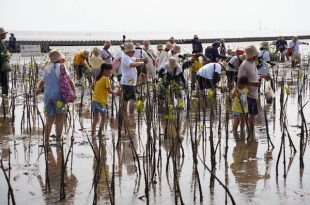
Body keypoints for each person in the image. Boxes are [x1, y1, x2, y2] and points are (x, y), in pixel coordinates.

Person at [35, 49, 76, 143]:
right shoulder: (62, 67)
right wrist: (74, 91)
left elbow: (42, 82)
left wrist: (38, 90)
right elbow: (69, 81)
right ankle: (58, 139)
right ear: (60, 58)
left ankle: (46, 140)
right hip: (59, 97)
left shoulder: (46, 68)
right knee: (60, 118)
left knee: (49, 120)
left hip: (47, 97)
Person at [238, 45, 261, 138]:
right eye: (256, 55)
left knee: (252, 115)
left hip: (253, 94)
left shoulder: (252, 63)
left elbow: (253, 76)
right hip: (247, 95)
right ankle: (246, 134)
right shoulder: (244, 65)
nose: (257, 57)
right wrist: (254, 83)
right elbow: (240, 83)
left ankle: (250, 135)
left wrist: (262, 77)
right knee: (246, 116)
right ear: (254, 56)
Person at [91, 63, 119, 136]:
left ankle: (92, 132)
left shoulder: (97, 78)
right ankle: (99, 133)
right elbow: (109, 91)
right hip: (100, 101)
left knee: (96, 118)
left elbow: (93, 88)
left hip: (94, 100)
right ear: (105, 70)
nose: (110, 72)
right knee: (104, 117)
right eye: (109, 71)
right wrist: (116, 93)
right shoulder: (105, 79)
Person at [120, 42, 145, 113]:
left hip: (128, 81)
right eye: (133, 51)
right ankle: (131, 113)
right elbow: (131, 64)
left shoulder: (127, 57)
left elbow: (134, 59)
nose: (134, 52)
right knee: (132, 98)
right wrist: (141, 63)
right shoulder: (125, 58)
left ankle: (125, 112)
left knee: (126, 98)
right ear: (129, 51)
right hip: (129, 82)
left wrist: (141, 59)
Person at [0, 27, 10, 95]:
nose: (5, 35)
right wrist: (5, 55)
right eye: (4, 34)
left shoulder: (2, 42)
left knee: (5, 82)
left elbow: (4, 52)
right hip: (1, 65)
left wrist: (7, 54)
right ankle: (4, 97)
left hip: (3, 65)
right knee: (4, 82)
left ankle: (5, 98)